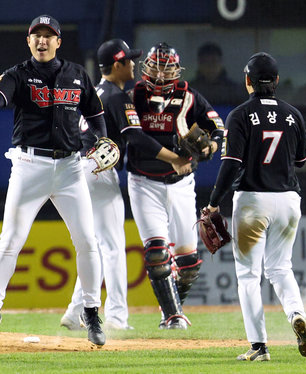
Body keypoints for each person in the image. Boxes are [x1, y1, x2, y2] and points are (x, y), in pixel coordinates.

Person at [0, 14, 107, 348]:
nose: (42, 40)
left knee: (88, 240)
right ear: (28, 42)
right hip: (29, 165)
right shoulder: (19, 74)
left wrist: (103, 139)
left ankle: (91, 311)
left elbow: (96, 116)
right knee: (11, 239)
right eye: (36, 35)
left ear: (58, 41)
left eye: (48, 35)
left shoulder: (77, 75)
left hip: (70, 169)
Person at [205, 52, 306, 361]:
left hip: (253, 200)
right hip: (289, 200)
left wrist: (214, 203)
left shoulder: (239, 115)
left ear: (247, 81)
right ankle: (296, 314)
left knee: (249, 276)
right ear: (277, 81)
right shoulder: (293, 114)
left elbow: (230, 165)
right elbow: (302, 161)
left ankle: (259, 346)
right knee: (281, 267)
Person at [129, 42, 224, 329]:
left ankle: (169, 311)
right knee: (157, 251)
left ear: (176, 69)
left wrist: (210, 148)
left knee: (189, 264)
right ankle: (173, 317)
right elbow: (132, 136)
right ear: (146, 66)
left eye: (166, 66)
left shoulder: (189, 96)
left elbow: (217, 127)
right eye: (155, 65)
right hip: (144, 181)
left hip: (181, 184)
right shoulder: (133, 96)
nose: (159, 72)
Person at [60, 39, 143, 331]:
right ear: (117, 64)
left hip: (79, 168)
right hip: (98, 171)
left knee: (93, 246)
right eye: (129, 60)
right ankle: (118, 317)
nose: (134, 64)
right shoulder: (116, 96)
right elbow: (137, 138)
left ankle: (74, 311)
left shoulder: (94, 92)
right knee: (112, 246)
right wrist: (172, 157)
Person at [190, 42, 246, 106]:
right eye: (205, 62)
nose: (210, 66)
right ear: (199, 64)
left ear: (221, 62)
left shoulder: (234, 91)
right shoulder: (191, 91)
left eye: (214, 61)